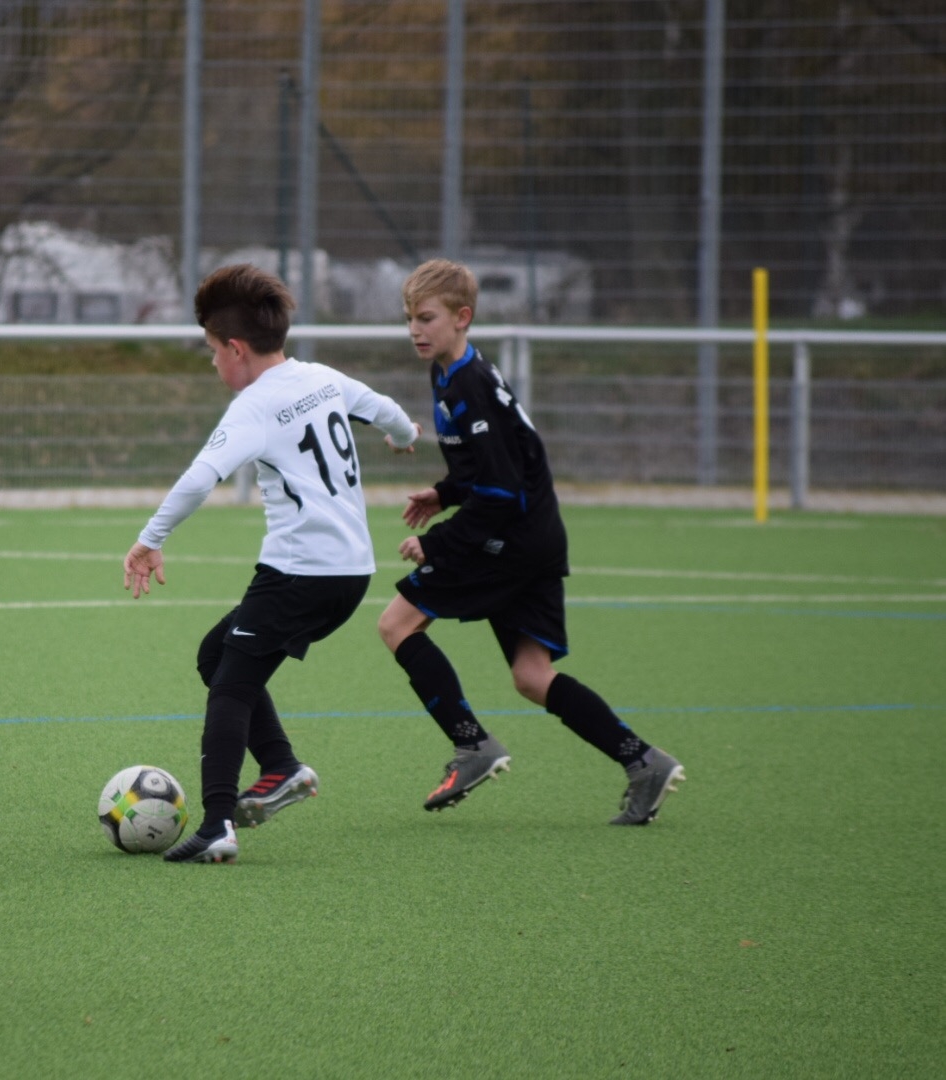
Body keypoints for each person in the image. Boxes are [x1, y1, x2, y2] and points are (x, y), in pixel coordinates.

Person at [124, 264, 420, 864]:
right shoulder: (322, 377)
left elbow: (199, 478)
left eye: (213, 351)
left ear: (236, 348)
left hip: (299, 573)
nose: (214, 363)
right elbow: (386, 410)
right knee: (216, 655)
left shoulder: (254, 406)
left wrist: (150, 539)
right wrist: (403, 434)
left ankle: (217, 825)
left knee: (230, 686)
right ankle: (281, 766)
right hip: (350, 573)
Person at [379, 258, 684, 824]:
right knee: (531, 676)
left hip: (510, 540)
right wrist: (445, 493)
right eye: (409, 319)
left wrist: (439, 542)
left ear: (462, 317)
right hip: (534, 538)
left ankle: (472, 745)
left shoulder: (469, 383)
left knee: (396, 624)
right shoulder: (449, 372)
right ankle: (643, 762)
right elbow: (490, 468)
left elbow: (500, 491)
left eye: (426, 318)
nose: (415, 330)